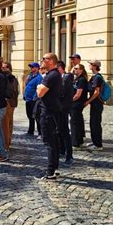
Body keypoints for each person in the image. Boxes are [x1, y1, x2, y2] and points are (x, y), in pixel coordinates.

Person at [36, 52, 63, 180]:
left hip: (48, 112)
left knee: (49, 142)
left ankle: (50, 171)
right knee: (54, 142)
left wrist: (38, 86)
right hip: (53, 110)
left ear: (51, 61)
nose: (42, 61)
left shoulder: (51, 76)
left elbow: (40, 93)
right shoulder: (55, 74)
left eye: (44, 59)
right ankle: (54, 168)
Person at [57, 60, 74, 167]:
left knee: (64, 132)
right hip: (58, 108)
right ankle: (62, 150)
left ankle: (69, 155)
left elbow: (62, 92)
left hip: (63, 108)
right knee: (59, 131)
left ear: (59, 68)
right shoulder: (60, 78)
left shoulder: (66, 78)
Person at [85, 60, 104, 150]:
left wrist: (88, 101)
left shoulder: (97, 78)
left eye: (90, 64)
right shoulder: (94, 77)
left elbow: (96, 92)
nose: (89, 65)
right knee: (93, 123)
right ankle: (95, 142)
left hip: (97, 103)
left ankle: (98, 145)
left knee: (96, 123)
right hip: (94, 103)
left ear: (94, 66)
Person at [1, 62, 19, 151]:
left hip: (8, 101)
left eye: (4, 67)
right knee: (8, 123)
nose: (3, 69)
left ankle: (6, 144)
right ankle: (7, 141)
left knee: (6, 124)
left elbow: (12, 91)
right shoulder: (11, 77)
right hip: (11, 101)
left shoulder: (10, 78)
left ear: (9, 68)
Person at [71, 63, 88, 148]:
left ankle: (76, 143)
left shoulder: (81, 80)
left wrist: (70, 101)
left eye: (77, 68)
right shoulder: (76, 79)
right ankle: (78, 140)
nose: (75, 70)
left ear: (81, 70)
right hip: (74, 103)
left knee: (74, 123)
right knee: (77, 122)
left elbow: (78, 94)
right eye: (74, 68)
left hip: (77, 103)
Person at [24, 62, 42, 137]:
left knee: (36, 116)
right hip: (28, 99)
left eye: (33, 67)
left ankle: (40, 132)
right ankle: (30, 130)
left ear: (37, 68)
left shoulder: (39, 77)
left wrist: (35, 98)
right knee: (29, 115)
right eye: (31, 67)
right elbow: (27, 86)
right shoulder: (30, 76)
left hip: (33, 100)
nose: (31, 68)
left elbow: (38, 88)